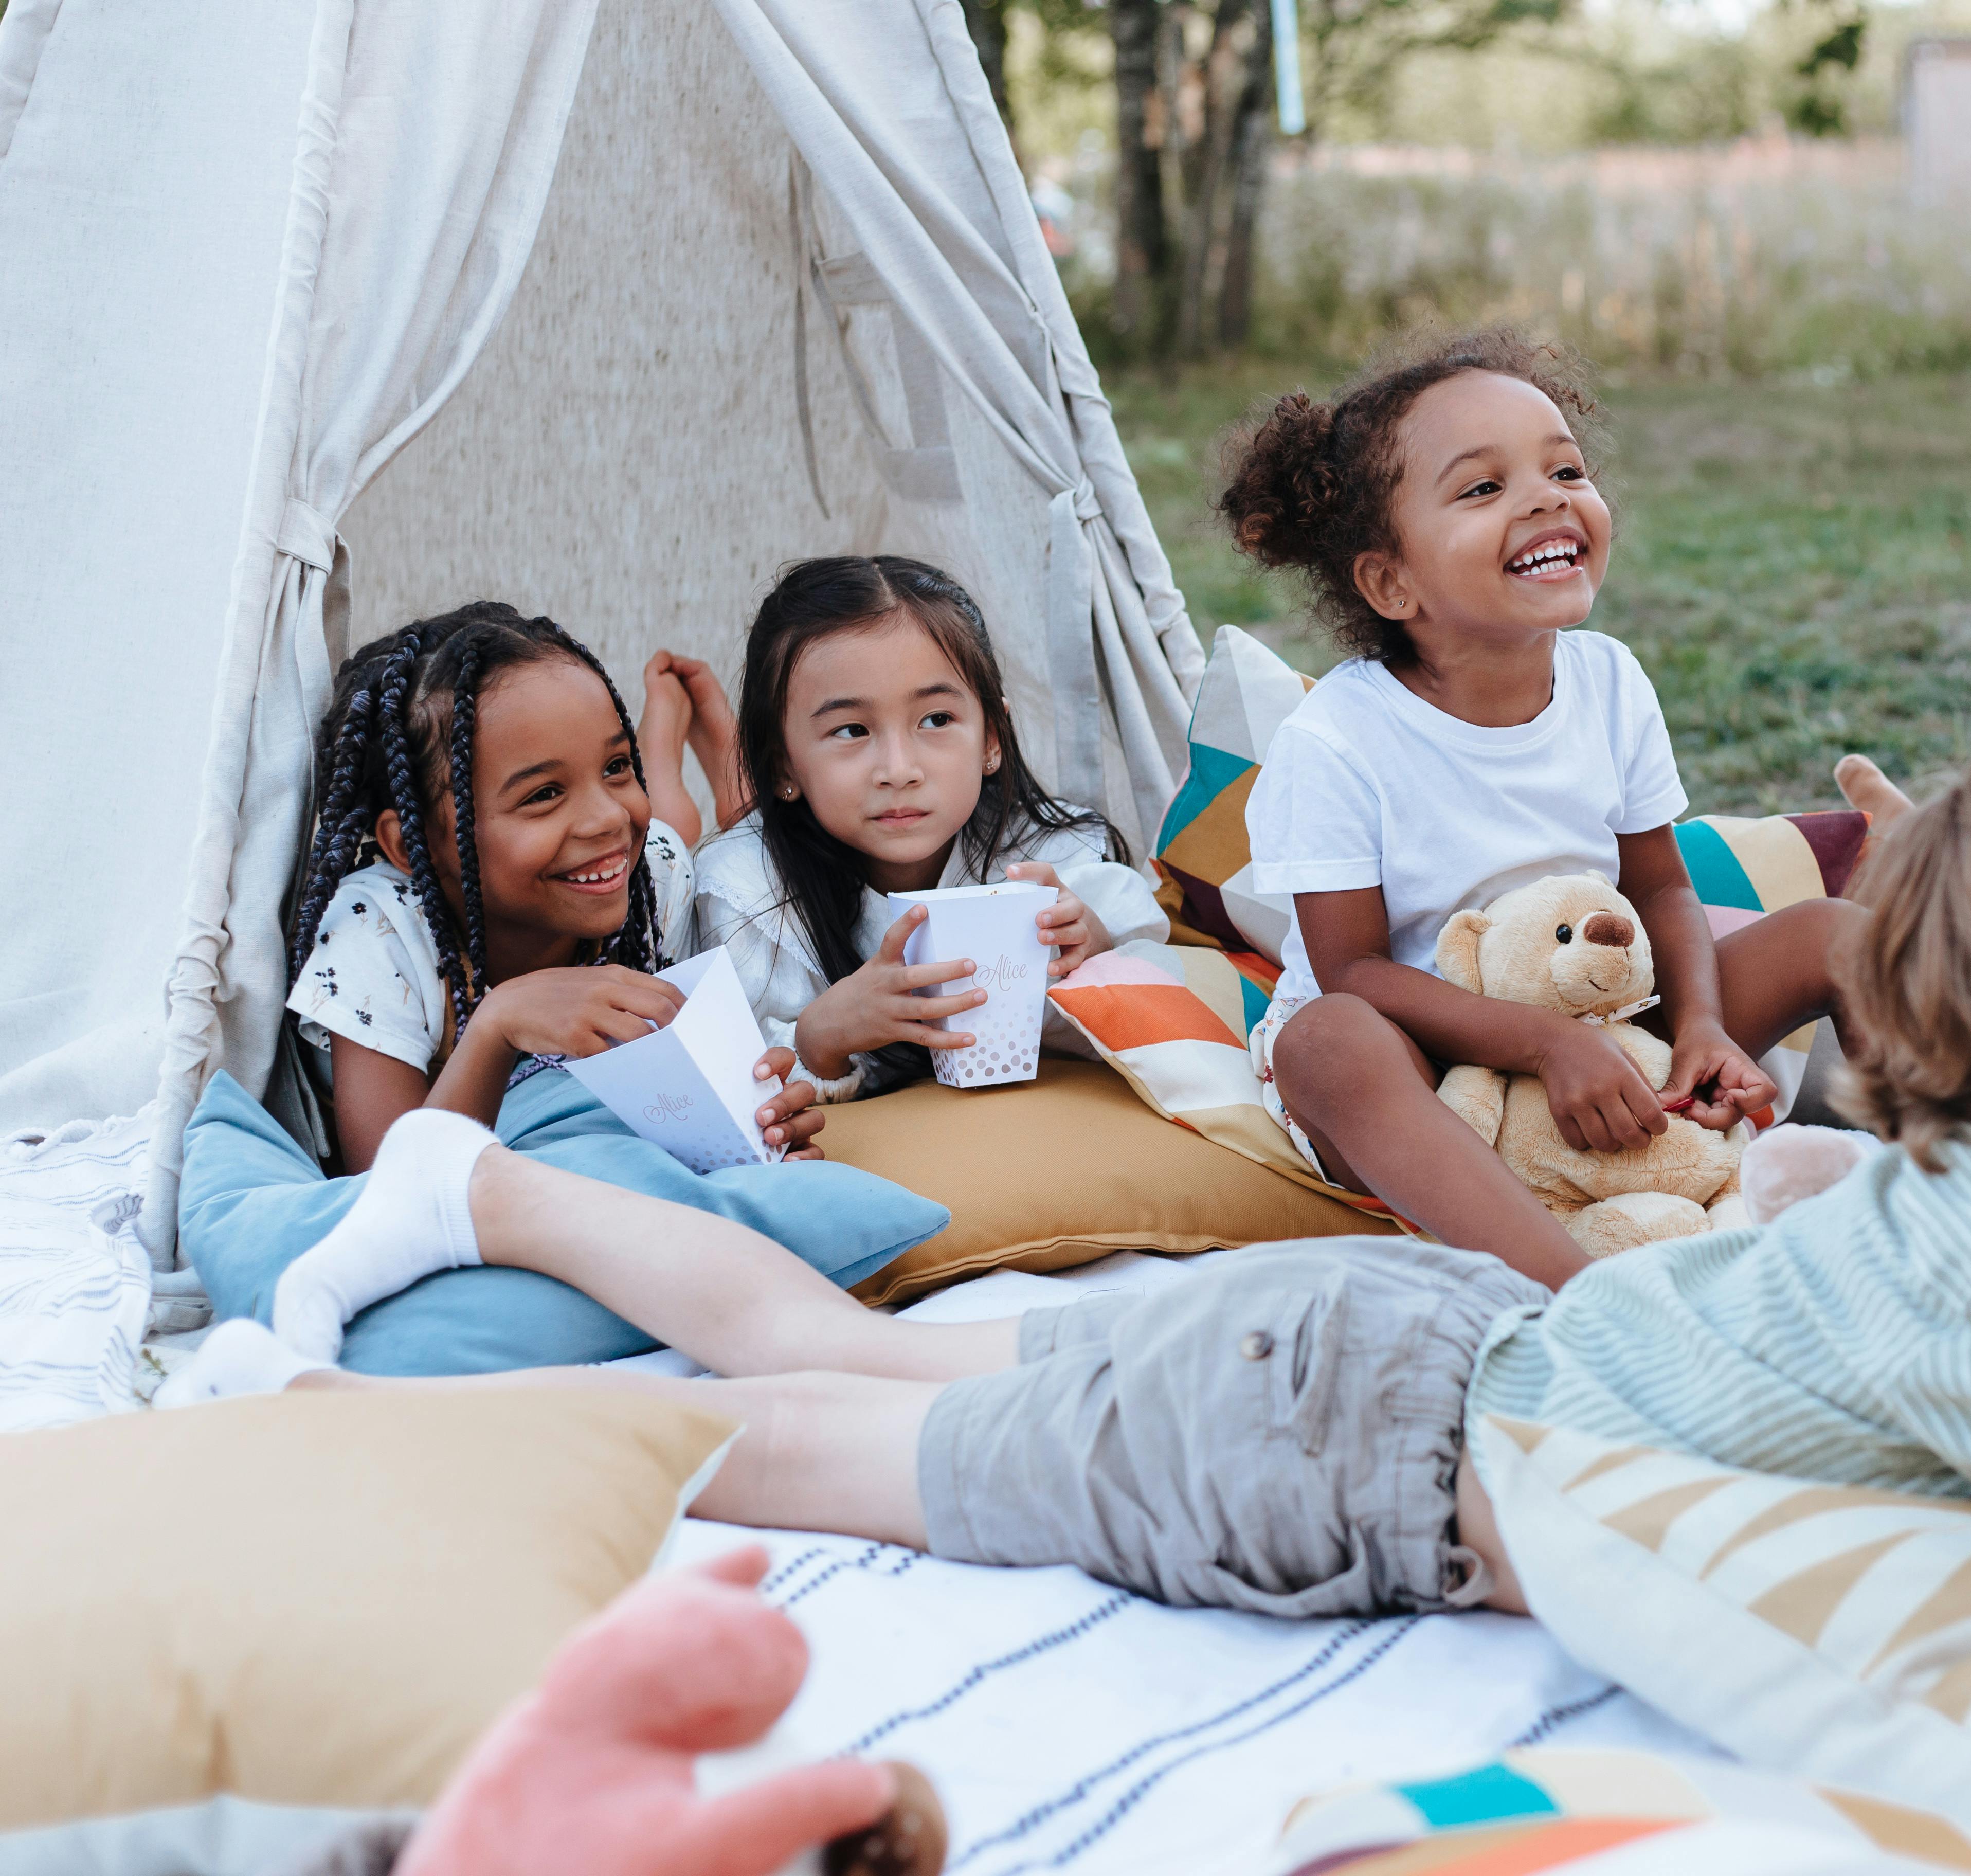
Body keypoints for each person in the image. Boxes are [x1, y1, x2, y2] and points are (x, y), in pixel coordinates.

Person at [159, 704, 1971, 1659]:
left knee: (848, 1365)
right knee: (771, 1439)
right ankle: (369, 1348)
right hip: (1349, 1445)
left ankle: (485, 1218)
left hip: (1403, 1370)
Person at [1215, 330, 1871, 1288]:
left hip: (1606, 1018)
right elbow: (1352, 969)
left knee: (1833, 934)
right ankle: (1585, 1301)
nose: (1545, 496)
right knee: (1328, 1042)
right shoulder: (1337, 740)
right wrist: (1542, 1043)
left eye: (1565, 467)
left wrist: (1698, 1026)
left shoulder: (1607, 681)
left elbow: (1660, 887)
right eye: (1482, 489)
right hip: (1427, 1069)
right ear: (1391, 581)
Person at [174, 604, 935, 1376]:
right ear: (415, 844)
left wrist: (763, 1116)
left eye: (616, 764)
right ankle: (677, 766)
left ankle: (678, 766)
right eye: (542, 795)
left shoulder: (648, 879)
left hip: (650, 865)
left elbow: (692, 1073)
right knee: (657, 828)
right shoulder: (378, 935)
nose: (604, 815)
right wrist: (498, 1027)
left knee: (672, 830)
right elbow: (391, 1194)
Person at [693, 556, 1166, 1103]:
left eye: (936, 720)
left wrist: (1095, 953)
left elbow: (1162, 990)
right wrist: (822, 1037)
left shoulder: (1053, 859)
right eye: (851, 730)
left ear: (992, 738)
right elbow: (726, 1083)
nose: (899, 770)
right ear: (782, 766)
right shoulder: (750, 893)